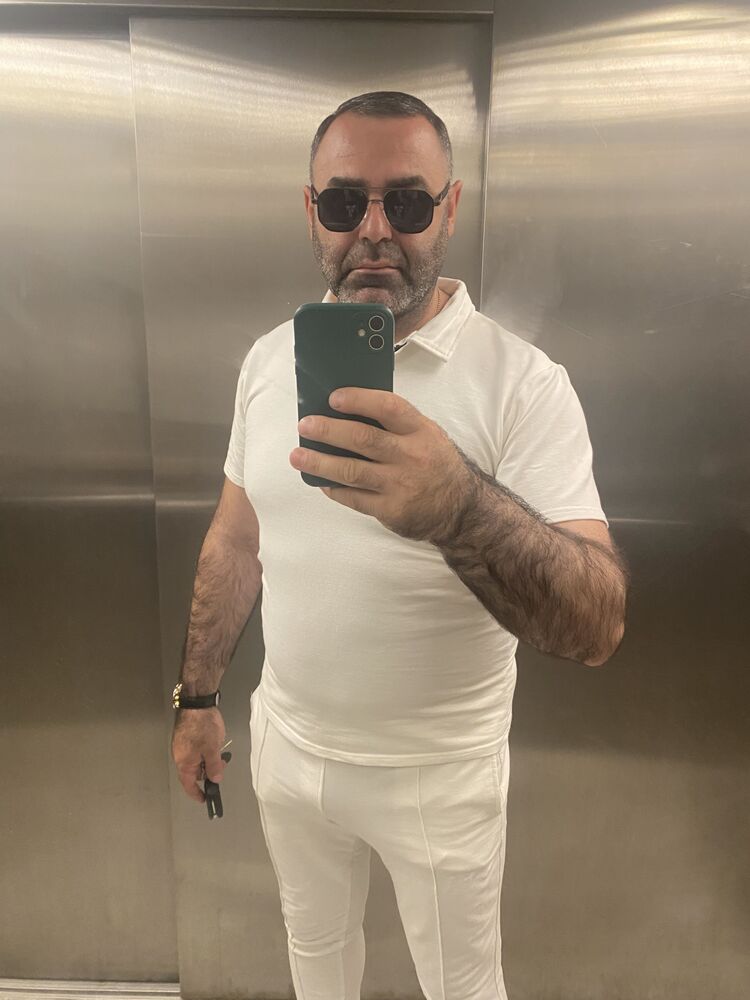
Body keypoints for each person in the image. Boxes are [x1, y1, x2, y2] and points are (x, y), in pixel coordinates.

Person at [171, 91, 629, 1000]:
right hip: (289, 749)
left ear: (450, 209)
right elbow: (236, 539)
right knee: (315, 961)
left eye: (408, 202)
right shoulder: (270, 362)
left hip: (440, 774)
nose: (375, 230)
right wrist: (198, 698)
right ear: (312, 212)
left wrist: (458, 505)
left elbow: (596, 625)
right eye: (346, 202)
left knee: (463, 988)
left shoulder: (523, 385)